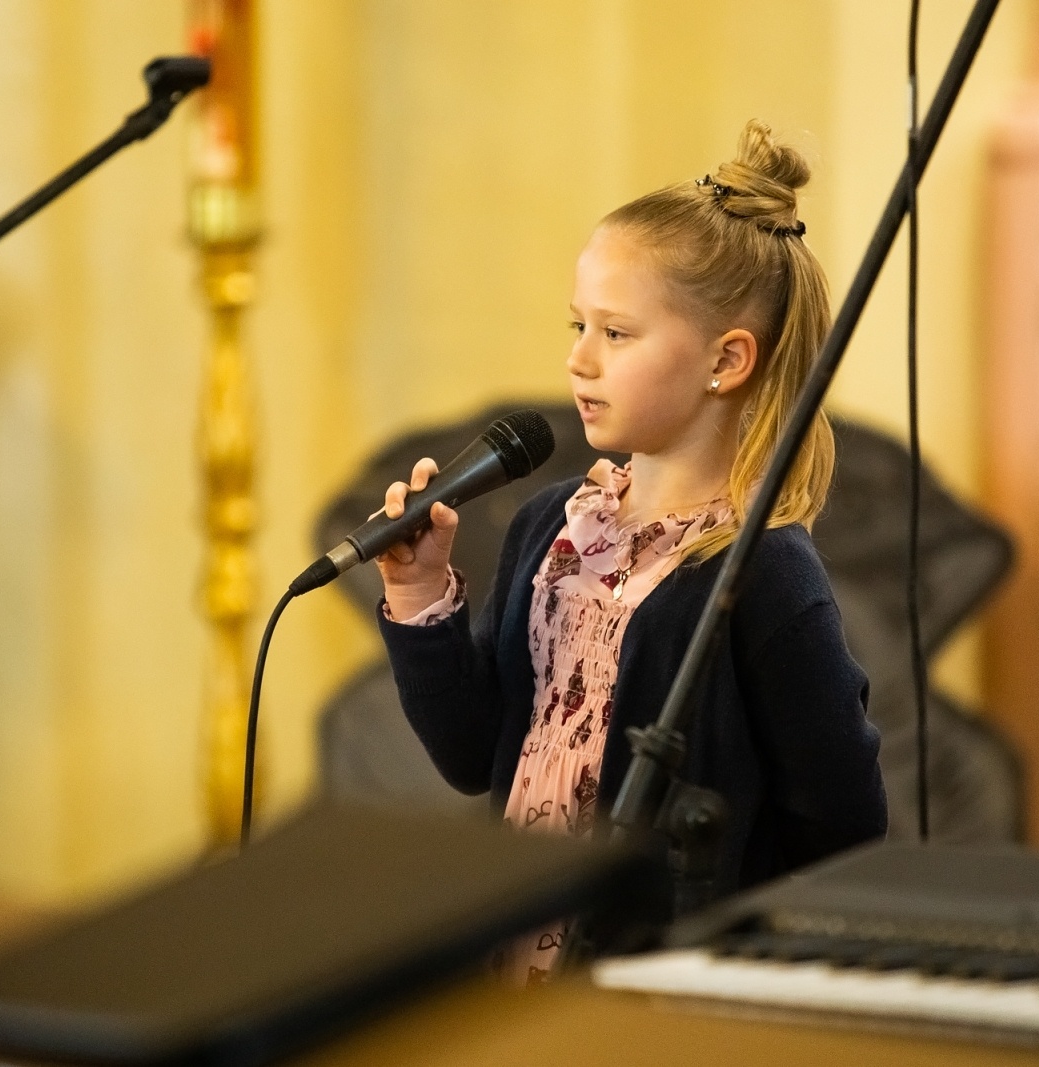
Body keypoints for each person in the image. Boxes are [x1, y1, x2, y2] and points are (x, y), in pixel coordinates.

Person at [373, 120, 887, 984]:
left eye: (617, 334)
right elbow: (475, 756)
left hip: (662, 990)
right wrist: (421, 592)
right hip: (522, 963)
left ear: (726, 360)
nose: (578, 360)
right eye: (578, 325)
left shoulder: (762, 574)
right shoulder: (555, 527)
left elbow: (841, 825)